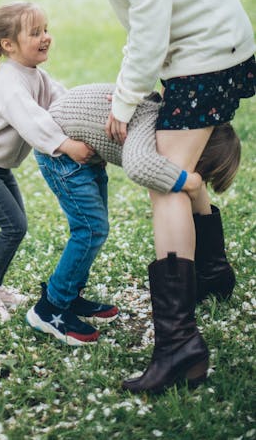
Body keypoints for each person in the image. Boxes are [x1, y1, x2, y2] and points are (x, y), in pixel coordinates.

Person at [0, 0, 255, 393]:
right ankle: (211, 274)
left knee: (162, 178)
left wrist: (124, 98)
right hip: (204, 49)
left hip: (201, 52)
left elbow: (151, 17)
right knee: (176, 170)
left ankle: (181, 346)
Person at [28, 85, 240, 344]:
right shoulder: (150, 126)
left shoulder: (170, 122)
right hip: (63, 152)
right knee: (91, 230)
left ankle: (69, 296)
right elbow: (137, 166)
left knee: (95, 229)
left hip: (88, 156)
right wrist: (188, 181)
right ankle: (50, 307)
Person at [0, 0, 107, 341]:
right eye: (36, 32)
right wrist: (68, 145)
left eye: (46, 29)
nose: (46, 37)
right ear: (8, 44)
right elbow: (33, 122)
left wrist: (94, 113)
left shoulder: (35, 75)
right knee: (14, 226)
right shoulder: (9, 82)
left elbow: (61, 102)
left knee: (16, 227)